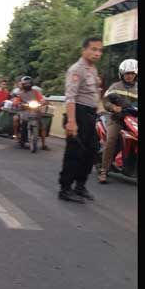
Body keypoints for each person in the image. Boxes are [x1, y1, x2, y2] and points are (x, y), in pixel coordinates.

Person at [58, 36, 103, 203]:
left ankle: (80, 186)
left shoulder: (93, 69)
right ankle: (65, 189)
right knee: (74, 152)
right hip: (78, 114)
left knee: (91, 151)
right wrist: (71, 121)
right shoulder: (76, 69)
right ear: (84, 50)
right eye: (94, 49)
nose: (97, 53)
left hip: (90, 115)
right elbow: (70, 97)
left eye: (100, 50)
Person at [98, 59, 138, 184]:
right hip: (116, 119)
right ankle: (104, 170)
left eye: (132, 73)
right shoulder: (115, 87)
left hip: (133, 119)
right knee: (112, 140)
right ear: (122, 74)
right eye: (127, 73)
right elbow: (106, 101)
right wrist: (113, 107)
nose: (129, 76)